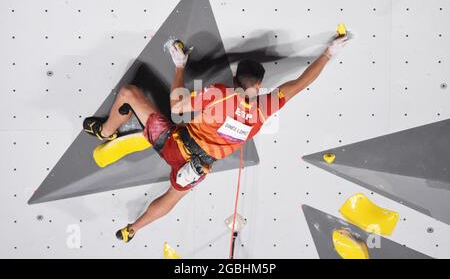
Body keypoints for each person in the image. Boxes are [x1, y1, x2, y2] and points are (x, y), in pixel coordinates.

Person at [83, 35, 349, 242]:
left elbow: (177, 107)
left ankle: (105, 131)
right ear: (259, 85)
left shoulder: (221, 94)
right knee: (170, 199)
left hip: (173, 144)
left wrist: (180, 67)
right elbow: (303, 82)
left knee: (129, 93)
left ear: (235, 78)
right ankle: (132, 229)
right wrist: (328, 53)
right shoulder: (266, 108)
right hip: (197, 169)